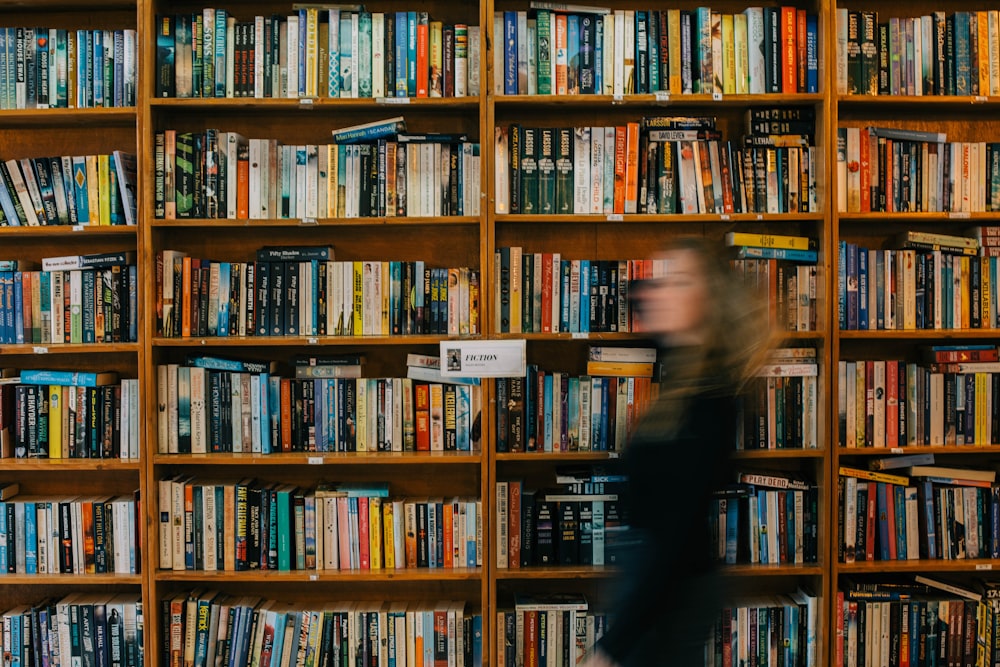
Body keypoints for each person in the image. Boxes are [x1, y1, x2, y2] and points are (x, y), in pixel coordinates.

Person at [583, 236, 776, 667]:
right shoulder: (685, 364)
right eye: (661, 282)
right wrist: (667, 278)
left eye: (679, 283)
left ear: (707, 299)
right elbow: (636, 297)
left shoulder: (710, 401)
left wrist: (612, 648)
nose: (658, 293)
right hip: (653, 577)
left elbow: (673, 540)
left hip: (671, 588)